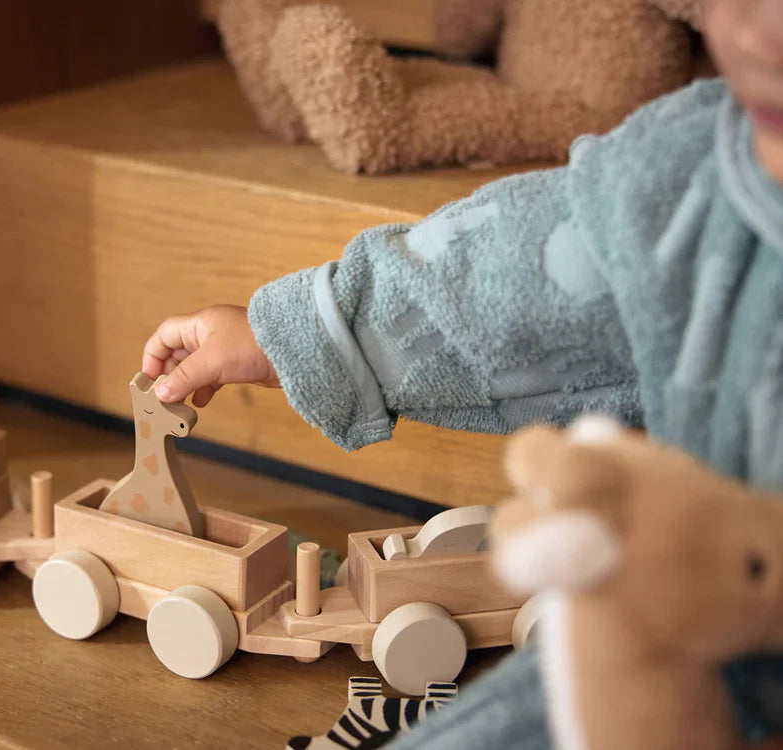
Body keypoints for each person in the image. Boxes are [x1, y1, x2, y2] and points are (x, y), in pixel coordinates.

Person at [140, 0, 783, 746]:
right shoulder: (686, 168)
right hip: (677, 655)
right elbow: (517, 271)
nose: (759, 31)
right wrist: (311, 331)